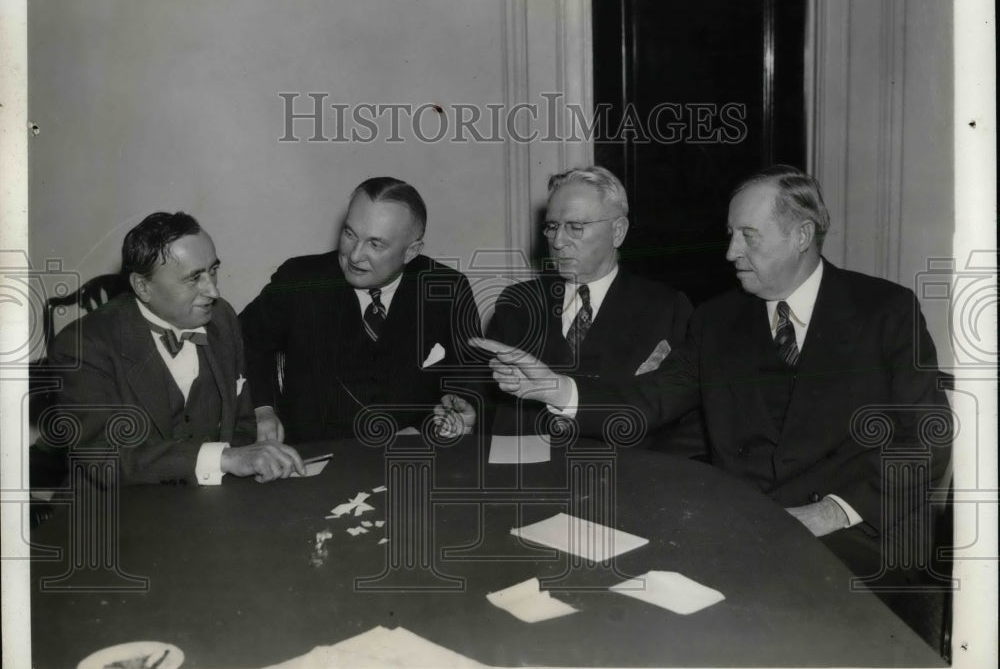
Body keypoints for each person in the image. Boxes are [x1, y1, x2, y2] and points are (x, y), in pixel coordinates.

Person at [472, 165, 950, 577]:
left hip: (858, 532)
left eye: (749, 236)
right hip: (744, 527)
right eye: (730, 235)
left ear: (801, 236)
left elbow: (927, 436)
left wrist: (830, 511)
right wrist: (560, 388)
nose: (730, 253)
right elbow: (651, 399)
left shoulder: (884, 311)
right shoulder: (718, 320)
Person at [438, 166, 699, 451]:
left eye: (575, 227)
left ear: (618, 232)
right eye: (552, 227)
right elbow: (487, 397)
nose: (558, 242)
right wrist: (471, 416)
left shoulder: (666, 307)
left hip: (624, 479)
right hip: (526, 478)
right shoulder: (516, 303)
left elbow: (679, 417)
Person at [44, 212, 305, 486]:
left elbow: (242, 423)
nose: (213, 291)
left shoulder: (222, 318)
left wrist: (257, 442)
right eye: (194, 279)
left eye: (213, 271)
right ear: (143, 286)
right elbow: (107, 457)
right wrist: (224, 458)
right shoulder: (81, 345)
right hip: (117, 510)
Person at [239, 177, 482, 443]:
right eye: (350, 234)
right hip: (314, 460)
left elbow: (471, 374)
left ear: (411, 251)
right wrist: (262, 410)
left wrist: (460, 409)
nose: (355, 255)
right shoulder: (299, 281)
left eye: (375, 244)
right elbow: (240, 342)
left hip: (413, 456)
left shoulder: (447, 288)